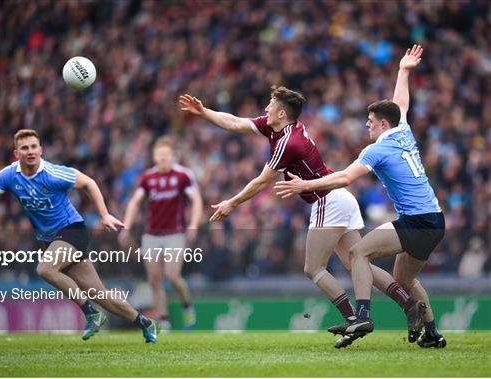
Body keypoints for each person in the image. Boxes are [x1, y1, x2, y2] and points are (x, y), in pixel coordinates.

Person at [179, 86, 424, 348]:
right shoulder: (280, 128)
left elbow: (263, 181)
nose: (265, 109)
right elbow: (236, 123)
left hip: (326, 200)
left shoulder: (288, 142)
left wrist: (232, 202)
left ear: (282, 113)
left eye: (270, 105)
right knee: (357, 264)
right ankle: (409, 305)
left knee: (313, 268)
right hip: (341, 198)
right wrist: (204, 112)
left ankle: (353, 318)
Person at [274, 45, 446, 348]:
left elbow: (344, 178)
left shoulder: (377, 148)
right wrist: (403, 71)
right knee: (404, 280)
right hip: (434, 220)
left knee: (359, 254)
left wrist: (304, 186)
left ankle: (363, 314)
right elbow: (400, 104)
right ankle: (432, 333)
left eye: (369, 122)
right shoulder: (402, 130)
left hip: (418, 221)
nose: (366, 126)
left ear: (382, 125)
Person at [0, 129, 159, 343]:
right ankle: (145, 323)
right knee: (100, 294)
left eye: (34, 147)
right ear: (16, 153)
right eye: (24, 148)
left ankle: (91, 313)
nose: (30, 151)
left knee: (45, 269)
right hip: (50, 240)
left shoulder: (53, 174)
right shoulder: (7, 175)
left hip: (72, 230)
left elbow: (89, 183)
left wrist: (104, 215)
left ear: (40, 150)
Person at [119, 137, 203, 330]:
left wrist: (193, 226)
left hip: (175, 234)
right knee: (154, 280)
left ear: (173, 156)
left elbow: (196, 201)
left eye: (166, 155)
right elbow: (134, 203)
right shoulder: (148, 178)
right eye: (159, 155)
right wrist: (127, 227)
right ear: (154, 157)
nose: (162, 158)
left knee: (173, 276)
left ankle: (187, 306)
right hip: (151, 236)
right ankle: (164, 321)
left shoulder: (183, 175)